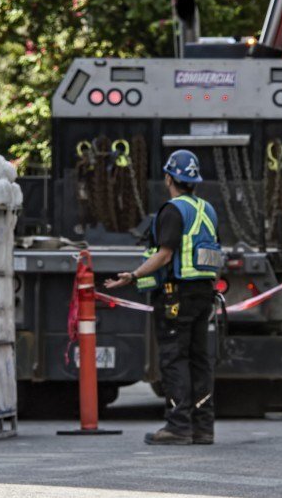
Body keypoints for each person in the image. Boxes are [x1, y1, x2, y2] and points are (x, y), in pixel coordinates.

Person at [104, 149, 222, 446]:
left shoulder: (172, 211)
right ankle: (202, 427)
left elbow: (164, 254)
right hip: (203, 293)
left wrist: (132, 275)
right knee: (199, 360)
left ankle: (178, 426)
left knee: (173, 359)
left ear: (169, 178)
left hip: (176, 295)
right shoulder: (207, 209)